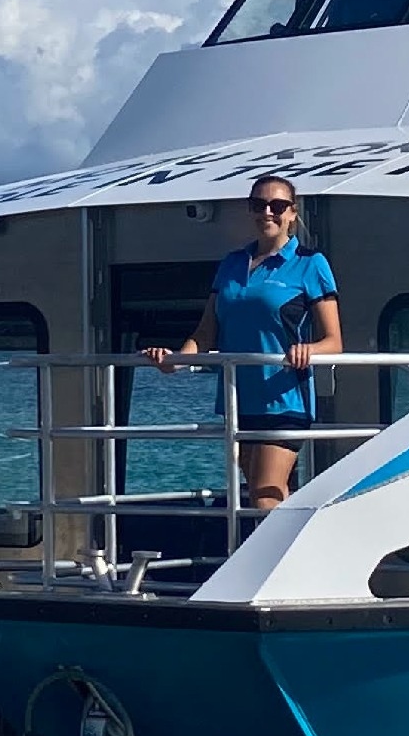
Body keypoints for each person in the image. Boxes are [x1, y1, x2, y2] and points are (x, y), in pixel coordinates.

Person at [145, 174, 343, 510]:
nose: (267, 212)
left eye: (277, 205)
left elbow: (334, 341)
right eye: (258, 205)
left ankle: (271, 562)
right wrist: (175, 360)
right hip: (239, 401)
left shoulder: (310, 264)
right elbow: (206, 332)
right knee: (263, 494)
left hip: (284, 400)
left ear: (293, 213)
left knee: (266, 497)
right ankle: (292, 557)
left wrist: (308, 349)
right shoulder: (232, 264)